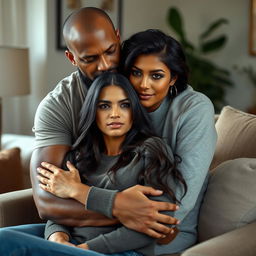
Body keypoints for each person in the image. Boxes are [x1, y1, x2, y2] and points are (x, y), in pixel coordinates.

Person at [29, 6, 179, 242]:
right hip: (74, 234)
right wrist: (122, 208)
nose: (105, 65)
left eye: (111, 51)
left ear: (118, 38)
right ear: (72, 57)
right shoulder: (59, 108)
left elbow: (163, 217)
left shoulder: (145, 83)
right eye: (90, 59)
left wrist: (85, 196)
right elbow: (48, 202)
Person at [0, 72, 187, 256]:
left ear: (134, 111)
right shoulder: (79, 155)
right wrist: (58, 239)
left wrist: (84, 249)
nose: (115, 114)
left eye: (124, 105)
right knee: (3, 236)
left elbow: (157, 224)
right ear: (93, 111)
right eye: (104, 106)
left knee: (9, 243)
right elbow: (60, 211)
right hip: (68, 243)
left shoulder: (152, 150)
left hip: (118, 250)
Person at [118, 29, 217, 254]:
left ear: (173, 78)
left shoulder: (194, 108)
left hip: (159, 237)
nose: (144, 84)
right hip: (104, 225)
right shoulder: (116, 105)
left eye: (156, 75)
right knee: (19, 238)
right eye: (136, 73)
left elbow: (180, 198)